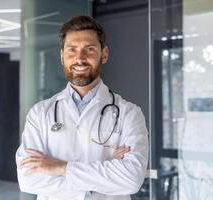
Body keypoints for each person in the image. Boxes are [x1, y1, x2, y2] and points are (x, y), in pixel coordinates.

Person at [16, 15, 148, 200]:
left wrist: (60, 168)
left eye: (90, 49)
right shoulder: (40, 113)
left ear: (104, 54)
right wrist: (105, 171)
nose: (80, 58)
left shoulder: (129, 114)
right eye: (72, 50)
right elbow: (28, 179)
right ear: (62, 56)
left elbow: (131, 179)